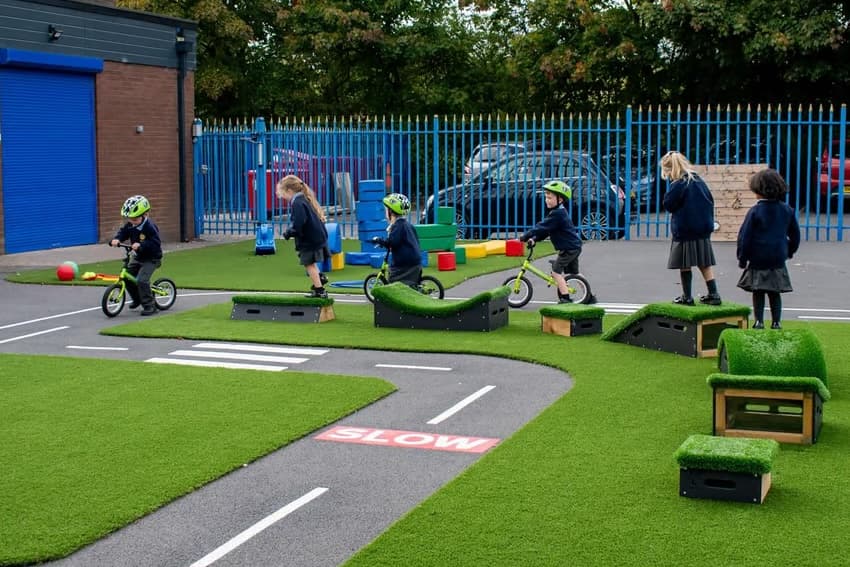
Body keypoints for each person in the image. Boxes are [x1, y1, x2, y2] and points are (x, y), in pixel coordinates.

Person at [736, 169, 801, 329]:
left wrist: (742, 258)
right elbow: (795, 235)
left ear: (758, 190)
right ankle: (776, 322)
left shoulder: (755, 211)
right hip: (778, 257)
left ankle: (758, 321)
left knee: (758, 290)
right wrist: (789, 251)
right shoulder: (787, 210)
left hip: (758, 257)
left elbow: (745, 237)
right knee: (775, 291)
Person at [659, 150, 722, 306]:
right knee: (704, 262)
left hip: (685, 229)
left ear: (670, 169)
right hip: (702, 228)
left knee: (684, 263)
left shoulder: (679, 184)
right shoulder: (698, 180)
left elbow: (669, 204)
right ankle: (713, 293)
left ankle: (687, 296)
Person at [519, 180, 595, 304]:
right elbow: (546, 231)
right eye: (546, 197)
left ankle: (565, 297)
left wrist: (525, 236)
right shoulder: (558, 212)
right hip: (573, 247)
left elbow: (540, 227)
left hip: (569, 249)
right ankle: (589, 296)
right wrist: (534, 239)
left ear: (560, 200)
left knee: (555, 272)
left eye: (550, 197)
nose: (546, 200)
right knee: (574, 273)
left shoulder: (558, 214)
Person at [276, 174, 330, 298]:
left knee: (308, 264)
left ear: (289, 190)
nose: (283, 197)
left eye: (283, 193)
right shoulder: (305, 198)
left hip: (310, 239)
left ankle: (319, 290)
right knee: (311, 263)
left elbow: (300, 222)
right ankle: (320, 278)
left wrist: (289, 232)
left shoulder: (298, 203)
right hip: (317, 236)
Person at [109, 194, 163, 316]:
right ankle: (138, 299)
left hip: (151, 258)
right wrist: (117, 239)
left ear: (145, 215)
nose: (132, 222)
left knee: (142, 281)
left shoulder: (150, 227)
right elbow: (123, 232)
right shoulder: (130, 225)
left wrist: (141, 245)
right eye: (130, 219)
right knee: (127, 278)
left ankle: (150, 305)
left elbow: (155, 243)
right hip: (138, 257)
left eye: (135, 219)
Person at [373, 193, 423, 287]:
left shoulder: (398, 226)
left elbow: (392, 242)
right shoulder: (407, 224)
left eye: (386, 210)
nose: (385, 213)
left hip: (405, 263)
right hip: (415, 260)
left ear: (391, 211)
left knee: (393, 280)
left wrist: (380, 241)